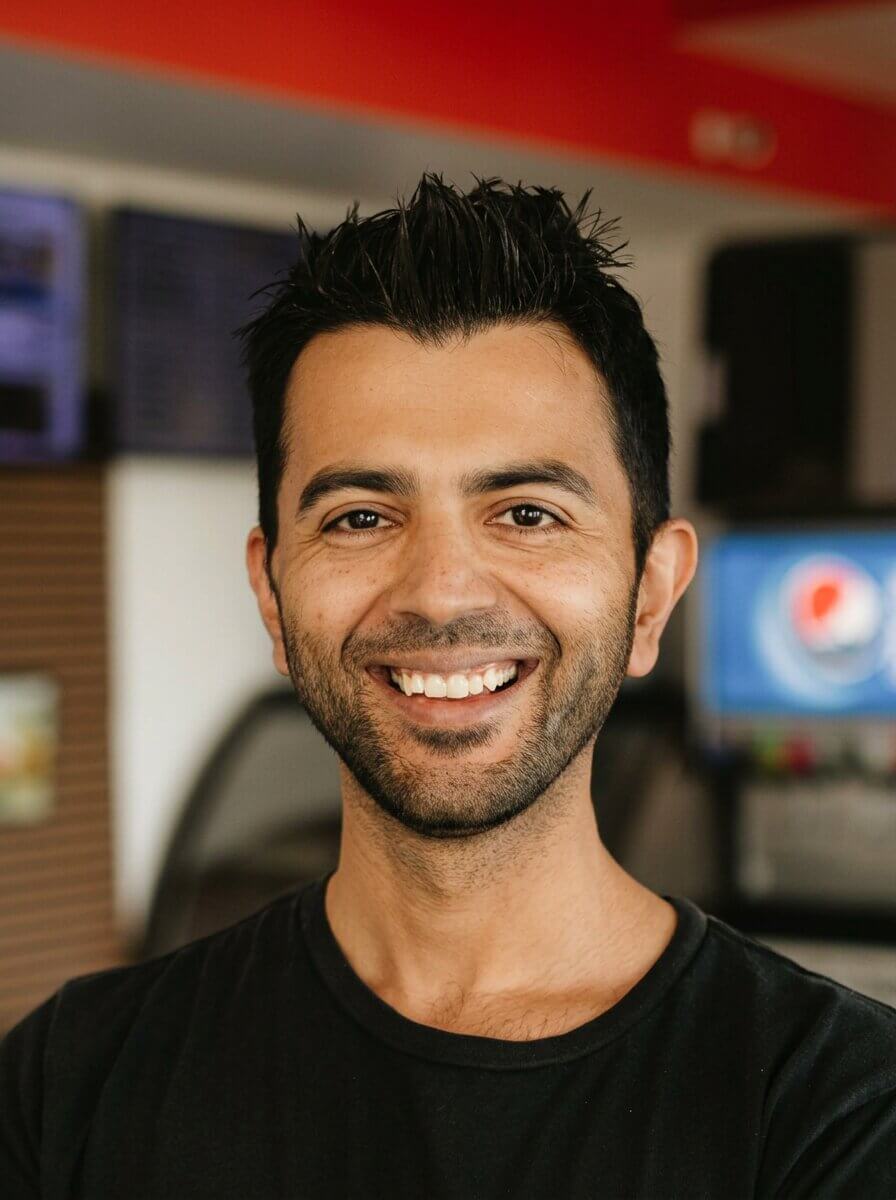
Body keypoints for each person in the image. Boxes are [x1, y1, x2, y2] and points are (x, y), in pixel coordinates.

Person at [2, 174, 894, 1199]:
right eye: (360, 518)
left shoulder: (838, 1114)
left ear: (649, 593)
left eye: (524, 513)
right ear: (272, 590)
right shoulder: (70, 1082)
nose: (437, 593)